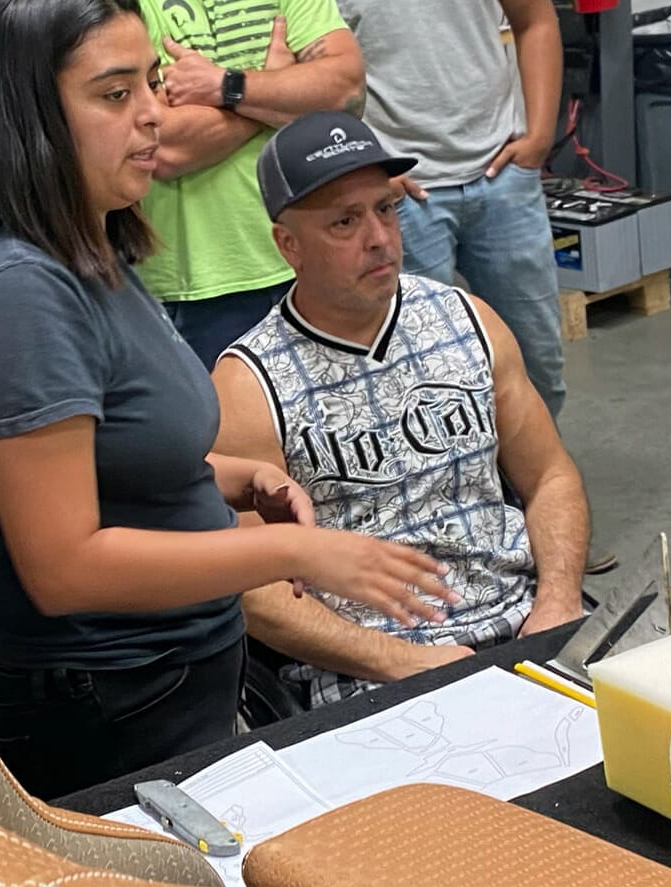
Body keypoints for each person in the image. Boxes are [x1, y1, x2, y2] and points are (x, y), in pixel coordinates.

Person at [0, 0, 458, 798]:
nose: (153, 115)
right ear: (32, 114)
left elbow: (108, 461)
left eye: (152, 83)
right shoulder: (20, 295)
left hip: (170, 677)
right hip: (108, 702)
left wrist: (227, 477)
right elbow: (66, 567)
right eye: (114, 95)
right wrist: (295, 553)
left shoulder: (91, 245)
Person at [214, 112, 590, 707]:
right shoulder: (248, 384)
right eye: (344, 221)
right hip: (371, 666)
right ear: (288, 245)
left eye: (385, 209)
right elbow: (253, 587)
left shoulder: (469, 320)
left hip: (523, 620)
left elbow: (549, 476)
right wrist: (402, 660)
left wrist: (559, 602)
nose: (379, 237)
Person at [337, 0, 566, 422]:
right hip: (401, 193)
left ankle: (530, 482)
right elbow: (314, 70)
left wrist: (539, 137)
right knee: (419, 376)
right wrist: (365, 173)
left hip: (502, 177)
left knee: (537, 364)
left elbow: (535, 20)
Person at [139, 0, 363, 367]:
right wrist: (277, 93)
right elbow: (162, 147)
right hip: (198, 288)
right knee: (226, 423)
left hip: (316, 263)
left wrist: (225, 86)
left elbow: (345, 91)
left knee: (340, 414)